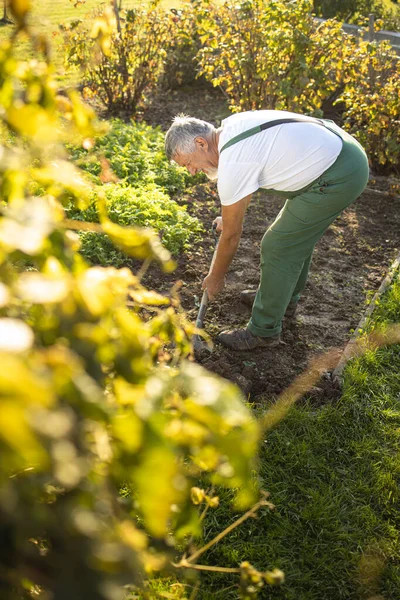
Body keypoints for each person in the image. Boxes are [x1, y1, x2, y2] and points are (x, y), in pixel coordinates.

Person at [164, 110, 369, 351]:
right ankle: (282, 299)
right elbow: (249, 173)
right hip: (339, 152)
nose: (191, 171)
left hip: (338, 173)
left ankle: (263, 331)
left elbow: (231, 235)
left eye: (188, 163)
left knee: (279, 245)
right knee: (293, 239)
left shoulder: (234, 160)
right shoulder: (232, 128)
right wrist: (228, 214)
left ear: (200, 143)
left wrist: (216, 277)